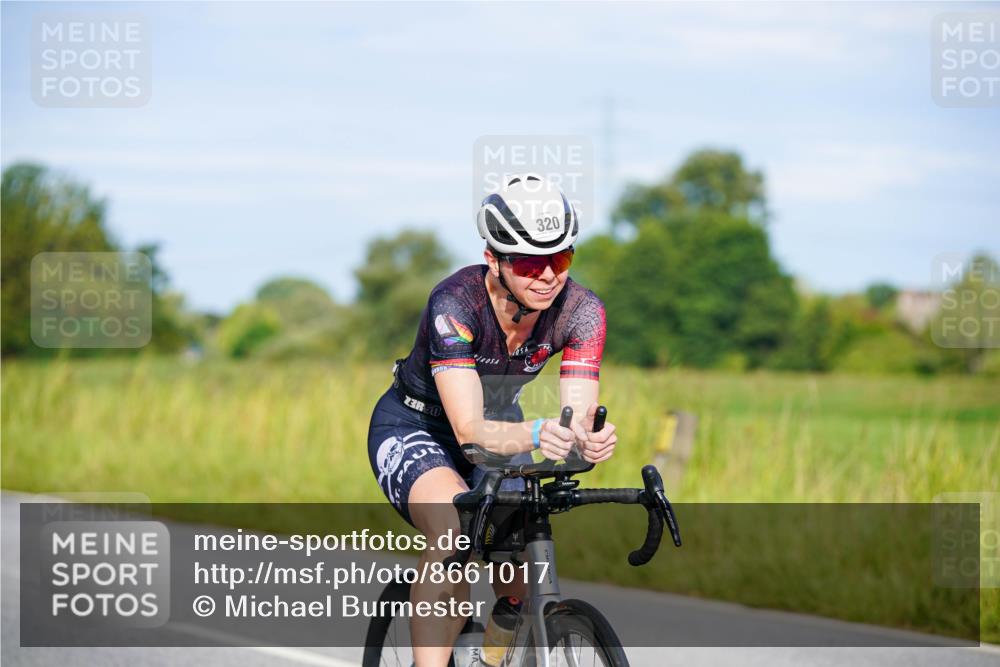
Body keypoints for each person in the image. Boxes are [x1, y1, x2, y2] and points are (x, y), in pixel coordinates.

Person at [367, 174, 617, 667]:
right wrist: (539, 433)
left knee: (519, 561)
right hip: (420, 427)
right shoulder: (455, 304)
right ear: (494, 260)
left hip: (504, 425)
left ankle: (492, 655)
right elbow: (467, 431)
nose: (547, 275)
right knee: (452, 534)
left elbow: (576, 414)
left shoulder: (584, 312)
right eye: (528, 261)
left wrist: (586, 438)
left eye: (561, 258)